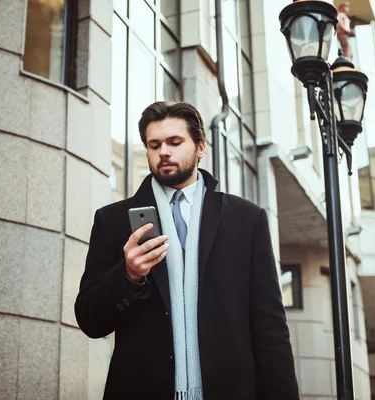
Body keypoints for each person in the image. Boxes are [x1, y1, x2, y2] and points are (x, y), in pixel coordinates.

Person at [75, 101, 300, 399]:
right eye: (154, 145)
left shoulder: (246, 219)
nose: (163, 152)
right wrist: (128, 276)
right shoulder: (113, 220)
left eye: (175, 142)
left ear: (201, 148)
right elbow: (90, 320)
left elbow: (270, 327)